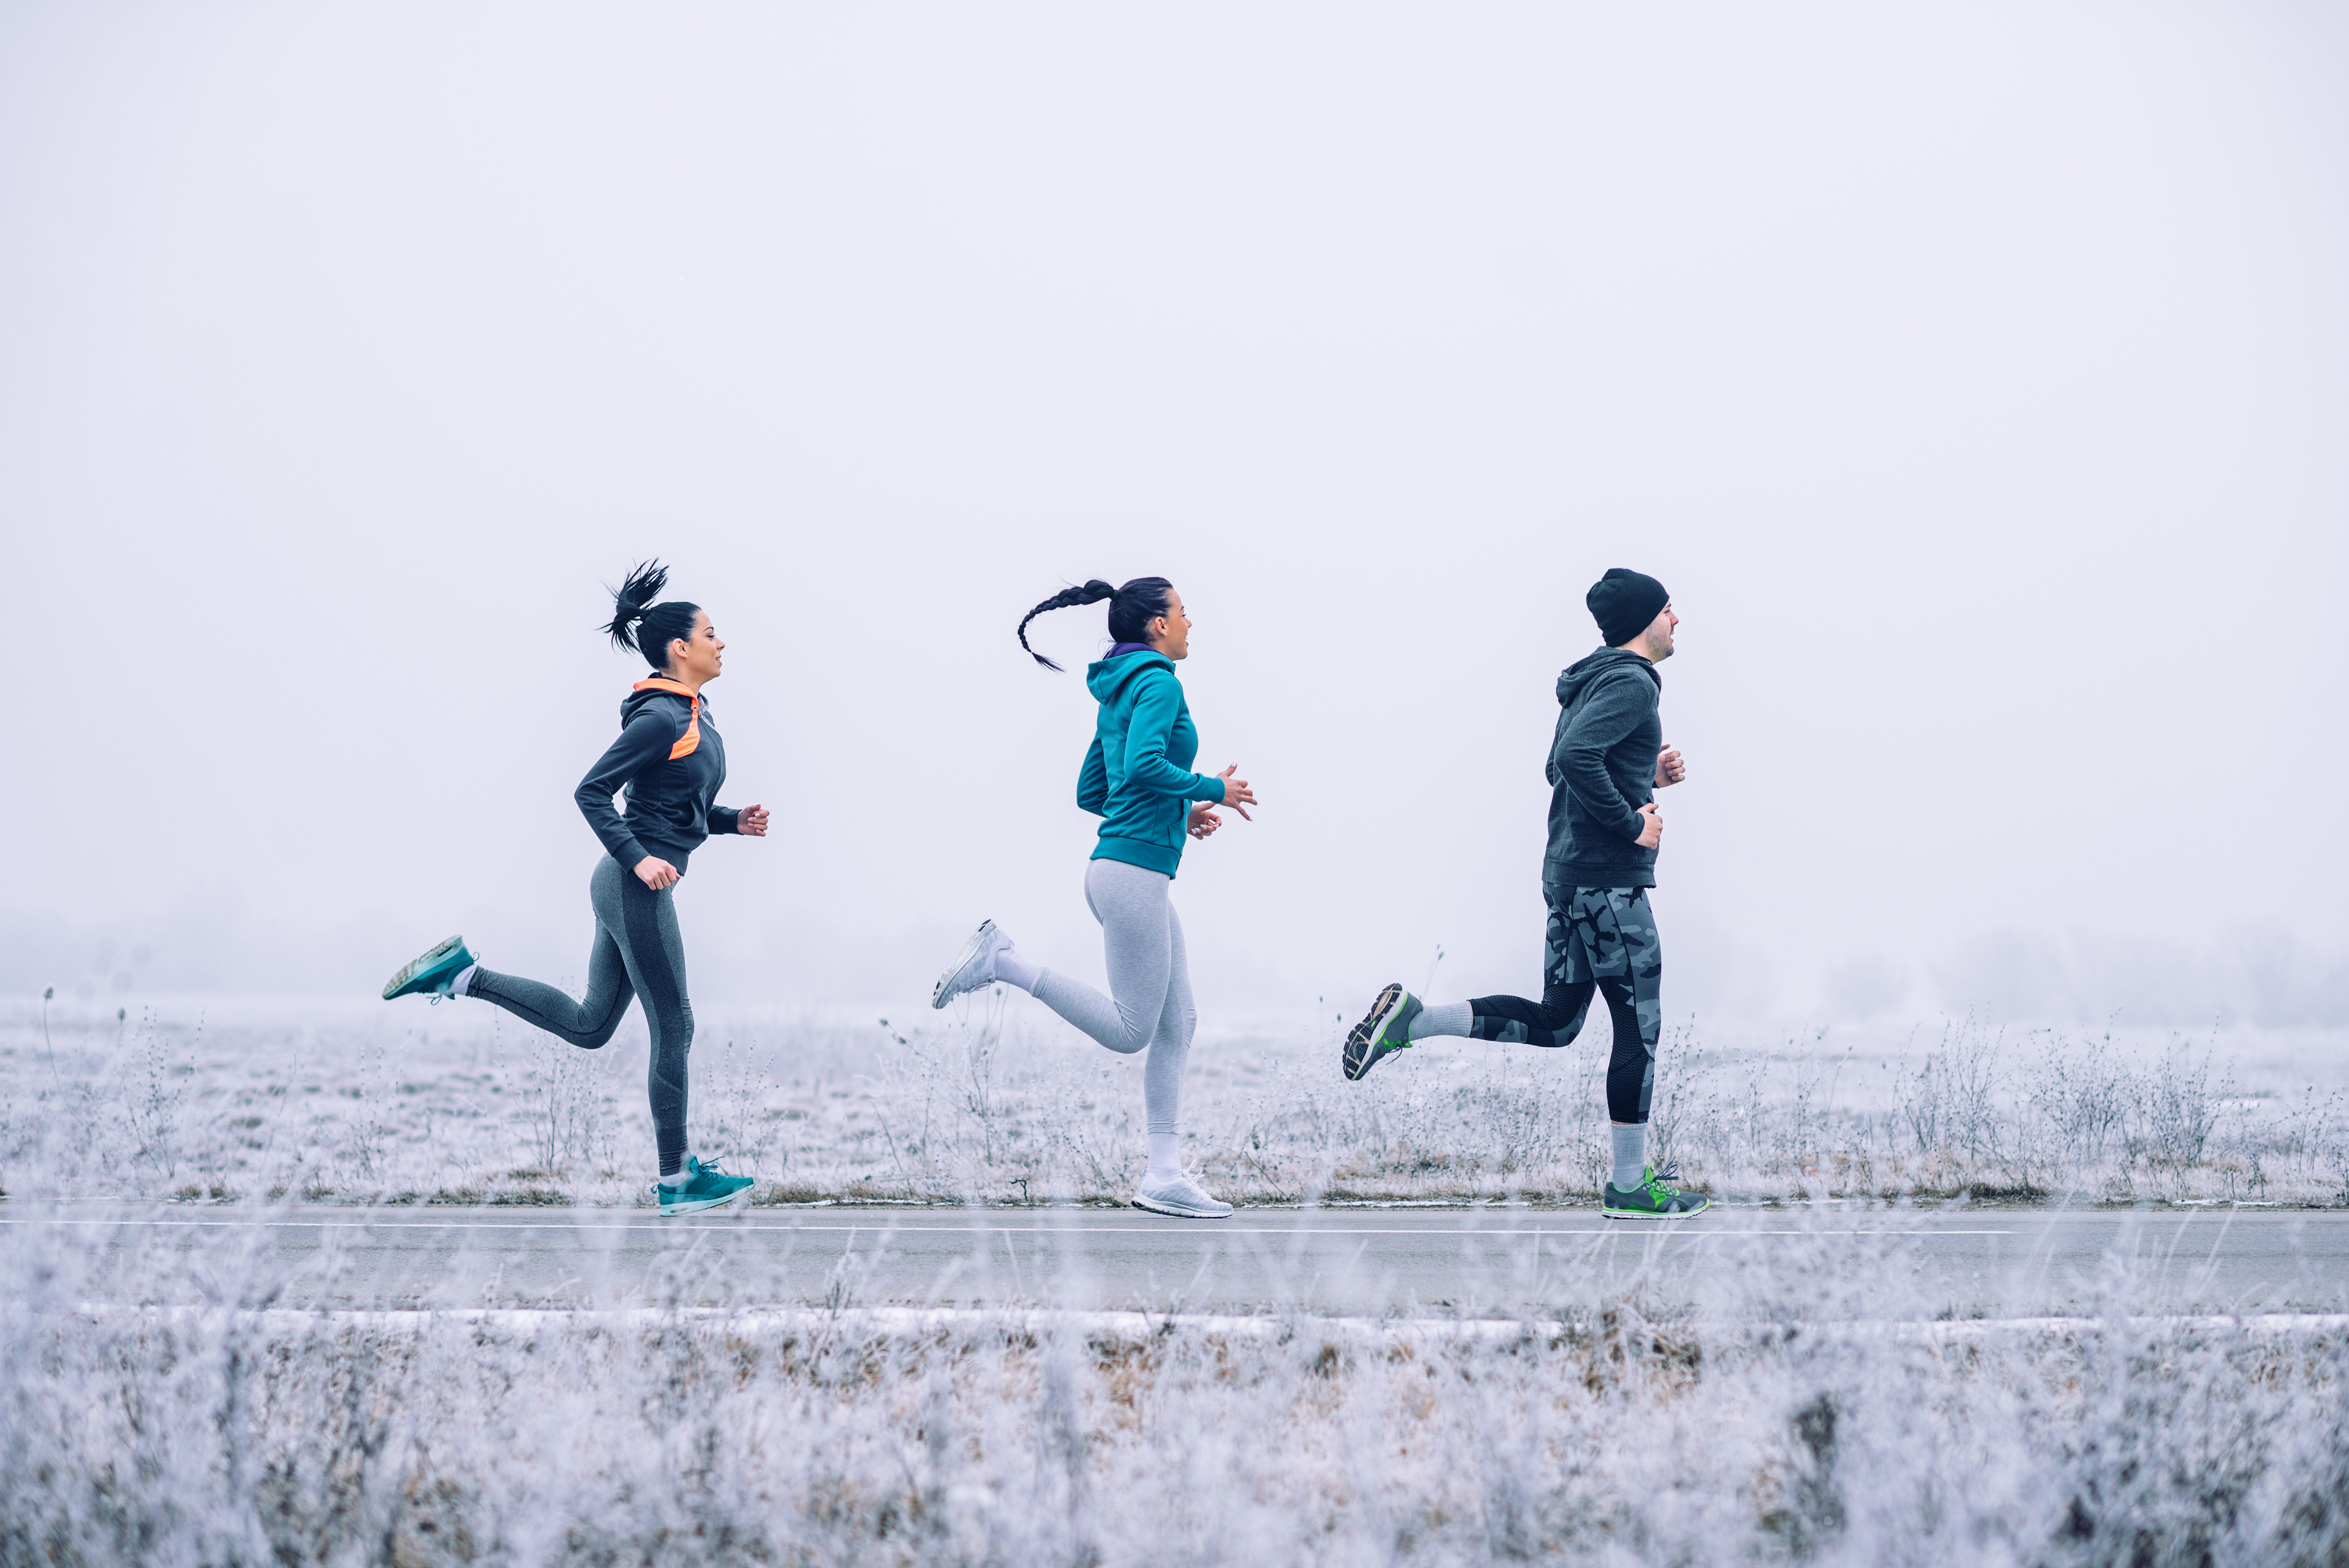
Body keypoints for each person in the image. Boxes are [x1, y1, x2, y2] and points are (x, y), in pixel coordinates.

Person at [380, 561, 768, 1216]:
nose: (721, 642)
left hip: (626, 883)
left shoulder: (693, 712)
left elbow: (672, 806)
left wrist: (731, 821)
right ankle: (677, 1181)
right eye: (711, 632)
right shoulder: (661, 719)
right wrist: (640, 860)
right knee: (675, 1026)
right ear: (681, 648)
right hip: (632, 884)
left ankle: (463, 975)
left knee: (592, 1027)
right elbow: (592, 792)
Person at [1341, 567, 1708, 1219]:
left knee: (1560, 1021)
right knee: (1639, 1031)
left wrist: (1643, 772)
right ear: (1645, 621)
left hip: (1569, 878)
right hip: (1608, 884)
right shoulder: (1629, 682)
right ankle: (1629, 1186)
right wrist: (1635, 825)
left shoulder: (1591, 679)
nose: (1678, 619)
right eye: (1669, 609)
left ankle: (1413, 1021)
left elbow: (1561, 761)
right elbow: (1572, 763)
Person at [930, 577, 1257, 1219]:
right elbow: (1140, 769)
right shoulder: (1159, 681)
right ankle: (1003, 961)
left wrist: (1180, 811)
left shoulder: (1117, 689)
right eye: (1184, 614)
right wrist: (1210, 790)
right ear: (1158, 626)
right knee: (1133, 1030)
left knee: (1178, 1022)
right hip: (1132, 873)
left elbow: (1094, 790)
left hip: (1127, 868)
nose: (1192, 624)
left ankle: (1163, 1175)